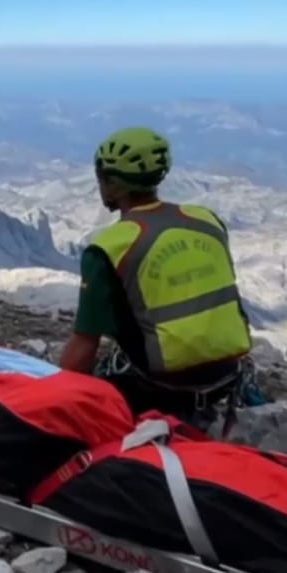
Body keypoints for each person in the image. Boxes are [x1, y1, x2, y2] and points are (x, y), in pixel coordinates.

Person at [59, 126, 259, 432]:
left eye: (102, 178)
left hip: (159, 387)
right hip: (225, 377)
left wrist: (55, 396)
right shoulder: (207, 220)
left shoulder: (108, 248)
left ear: (112, 184)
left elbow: (85, 343)